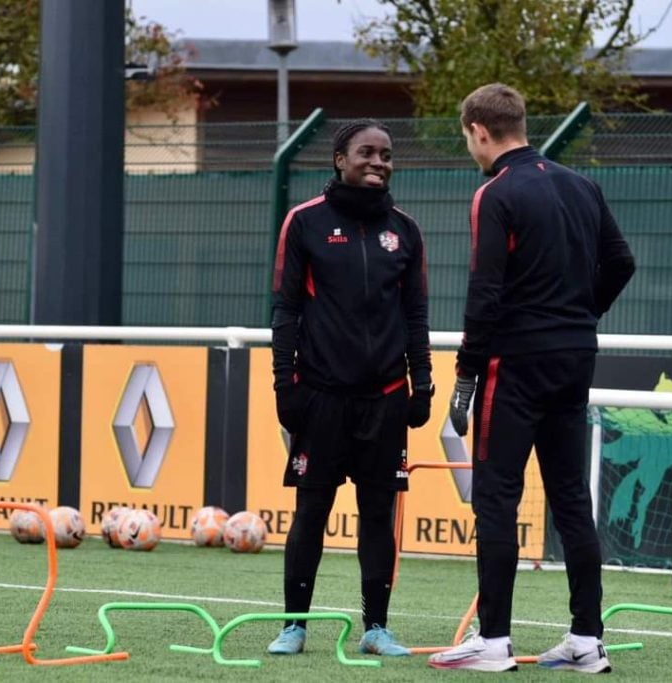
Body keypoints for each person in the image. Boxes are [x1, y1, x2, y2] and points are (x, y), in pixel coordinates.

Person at [428, 84, 636, 674]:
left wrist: (466, 372)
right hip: (574, 357)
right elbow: (622, 262)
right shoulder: (581, 185)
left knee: (496, 497)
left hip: (514, 363)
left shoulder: (495, 193)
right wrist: (580, 315)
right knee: (571, 497)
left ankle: (493, 642)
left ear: (477, 129)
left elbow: (484, 292)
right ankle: (587, 641)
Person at [268, 119, 433, 658]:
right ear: (340, 159)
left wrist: (423, 382)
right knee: (312, 511)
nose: (379, 162)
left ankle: (376, 628)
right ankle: (294, 626)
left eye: (386, 154)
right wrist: (284, 385)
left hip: (385, 396)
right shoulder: (305, 223)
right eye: (367, 152)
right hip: (321, 395)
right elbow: (286, 309)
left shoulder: (404, 231)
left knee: (378, 515)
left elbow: (415, 314)